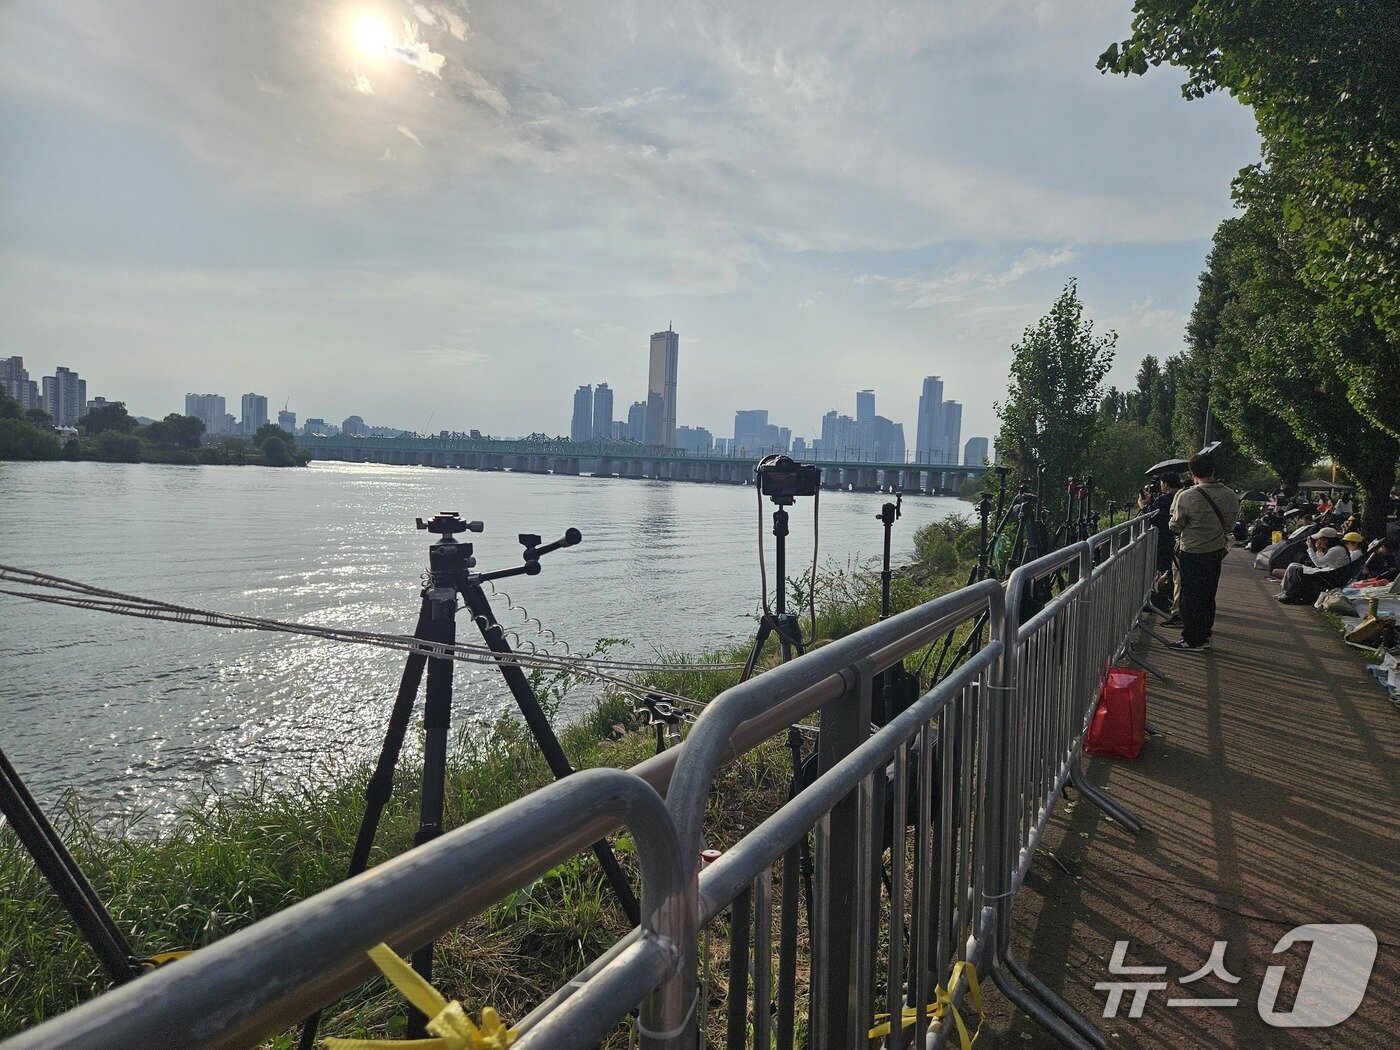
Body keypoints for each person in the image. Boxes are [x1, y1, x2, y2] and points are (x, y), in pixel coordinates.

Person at [1166, 452, 1240, 651]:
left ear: (1192, 473)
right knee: (1208, 594)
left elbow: (1175, 526)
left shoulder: (1187, 495)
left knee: (1189, 595)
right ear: (1213, 470)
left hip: (1191, 550)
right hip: (1215, 550)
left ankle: (1191, 638)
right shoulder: (1230, 494)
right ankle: (1204, 633)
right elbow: (1231, 525)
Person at [1137, 471, 1183, 617]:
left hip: (1163, 541)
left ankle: (1161, 601)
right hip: (1174, 539)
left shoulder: (1165, 499)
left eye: (1162, 483)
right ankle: (1167, 599)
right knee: (1169, 571)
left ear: (1166, 484)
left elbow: (1153, 519)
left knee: (1162, 570)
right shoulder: (1181, 496)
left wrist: (1144, 506)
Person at [1275, 527, 1360, 604]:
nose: (1318, 541)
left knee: (1296, 568)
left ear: (1327, 539)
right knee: (1293, 565)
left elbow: (1318, 563)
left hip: (1332, 576)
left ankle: (1288, 594)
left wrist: (1310, 548)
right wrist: (1319, 550)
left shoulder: (1336, 549)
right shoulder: (1334, 548)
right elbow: (1322, 565)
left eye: (1320, 539)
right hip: (1328, 571)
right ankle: (1285, 592)